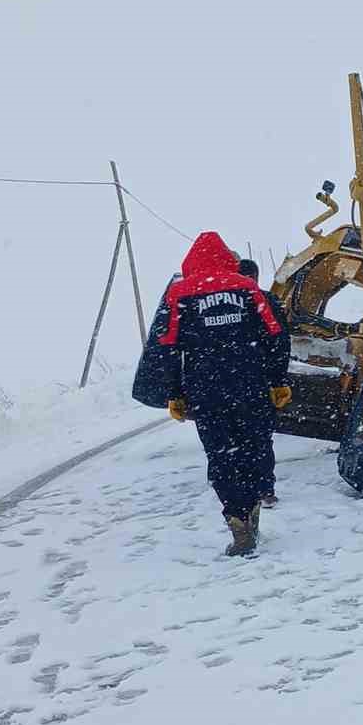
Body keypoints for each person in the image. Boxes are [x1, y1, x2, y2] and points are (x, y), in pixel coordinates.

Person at [132, 233, 291, 556]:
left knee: (221, 456)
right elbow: (277, 335)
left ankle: (237, 520)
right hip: (251, 385)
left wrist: (174, 393)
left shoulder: (178, 296)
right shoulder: (251, 291)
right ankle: (255, 505)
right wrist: (277, 380)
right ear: (228, 261)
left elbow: (165, 349)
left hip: (206, 392)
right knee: (255, 447)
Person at [238, 257, 289, 508]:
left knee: (233, 438)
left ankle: (237, 486)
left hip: (230, 382)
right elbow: (281, 342)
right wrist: (279, 379)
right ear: (256, 277)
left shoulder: (226, 304)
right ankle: (265, 490)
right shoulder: (267, 301)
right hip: (260, 380)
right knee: (260, 438)